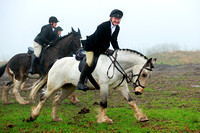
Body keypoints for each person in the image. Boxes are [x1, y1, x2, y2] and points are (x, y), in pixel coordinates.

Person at [77, 9, 123, 91]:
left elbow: (114, 40)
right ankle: (80, 82)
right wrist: (106, 50)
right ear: (111, 18)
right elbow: (97, 41)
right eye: (115, 18)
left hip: (101, 48)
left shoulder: (117, 28)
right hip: (92, 46)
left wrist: (117, 50)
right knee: (90, 62)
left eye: (118, 19)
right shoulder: (102, 26)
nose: (117, 20)